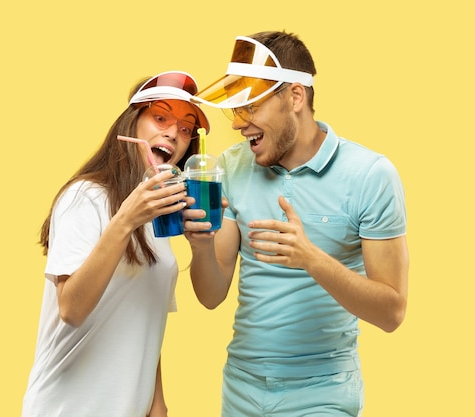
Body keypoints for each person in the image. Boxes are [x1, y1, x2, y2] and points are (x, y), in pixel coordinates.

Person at [184, 31, 409, 416]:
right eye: (235, 109)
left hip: (323, 392)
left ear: (295, 97)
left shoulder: (370, 174)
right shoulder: (231, 167)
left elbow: (391, 313)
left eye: (250, 106)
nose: (238, 124)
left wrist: (312, 259)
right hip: (241, 388)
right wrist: (201, 245)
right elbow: (210, 296)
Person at [21, 71, 210, 417]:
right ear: (132, 122)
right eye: (160, 116)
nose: (173, 132)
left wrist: (157, 405)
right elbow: (72, 309)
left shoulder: (158, 215)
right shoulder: (86, 197)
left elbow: (142, 316)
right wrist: (125, 220)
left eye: (186, 128)